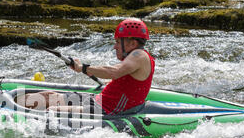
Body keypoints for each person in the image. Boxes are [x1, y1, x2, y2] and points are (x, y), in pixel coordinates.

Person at [20, 18, 155, 115]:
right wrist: (88, 70)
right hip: (99, 100)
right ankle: (7, 106)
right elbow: (122, 82)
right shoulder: (133, 58)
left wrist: (83, 68)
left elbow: (115, 72)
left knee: (53, 112)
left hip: (108, 110)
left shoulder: (140, 55)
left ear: (132, 44)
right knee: (47, 97)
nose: (115, 46)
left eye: (118, 42)